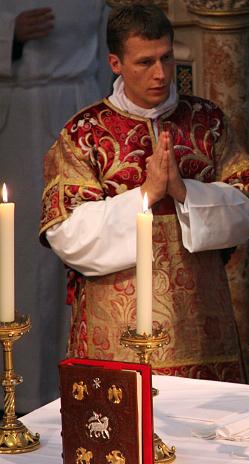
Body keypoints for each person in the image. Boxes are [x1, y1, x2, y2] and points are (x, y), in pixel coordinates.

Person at [39, 5, 249, 382]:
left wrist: (185, 192)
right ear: (115, 63)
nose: (160, 74)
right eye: (145, 62)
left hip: (203, 331)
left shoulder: (207, 121)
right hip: (116, 335)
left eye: (167, 58)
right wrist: (146, 194)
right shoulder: (84, 134)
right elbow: (65, 233)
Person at [0, 1, 111, 411]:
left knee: (80, 242)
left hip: (81, 98)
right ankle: (23, 391)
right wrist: (9, 31)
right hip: (21, 112)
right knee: (25, 254)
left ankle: (76, 381)